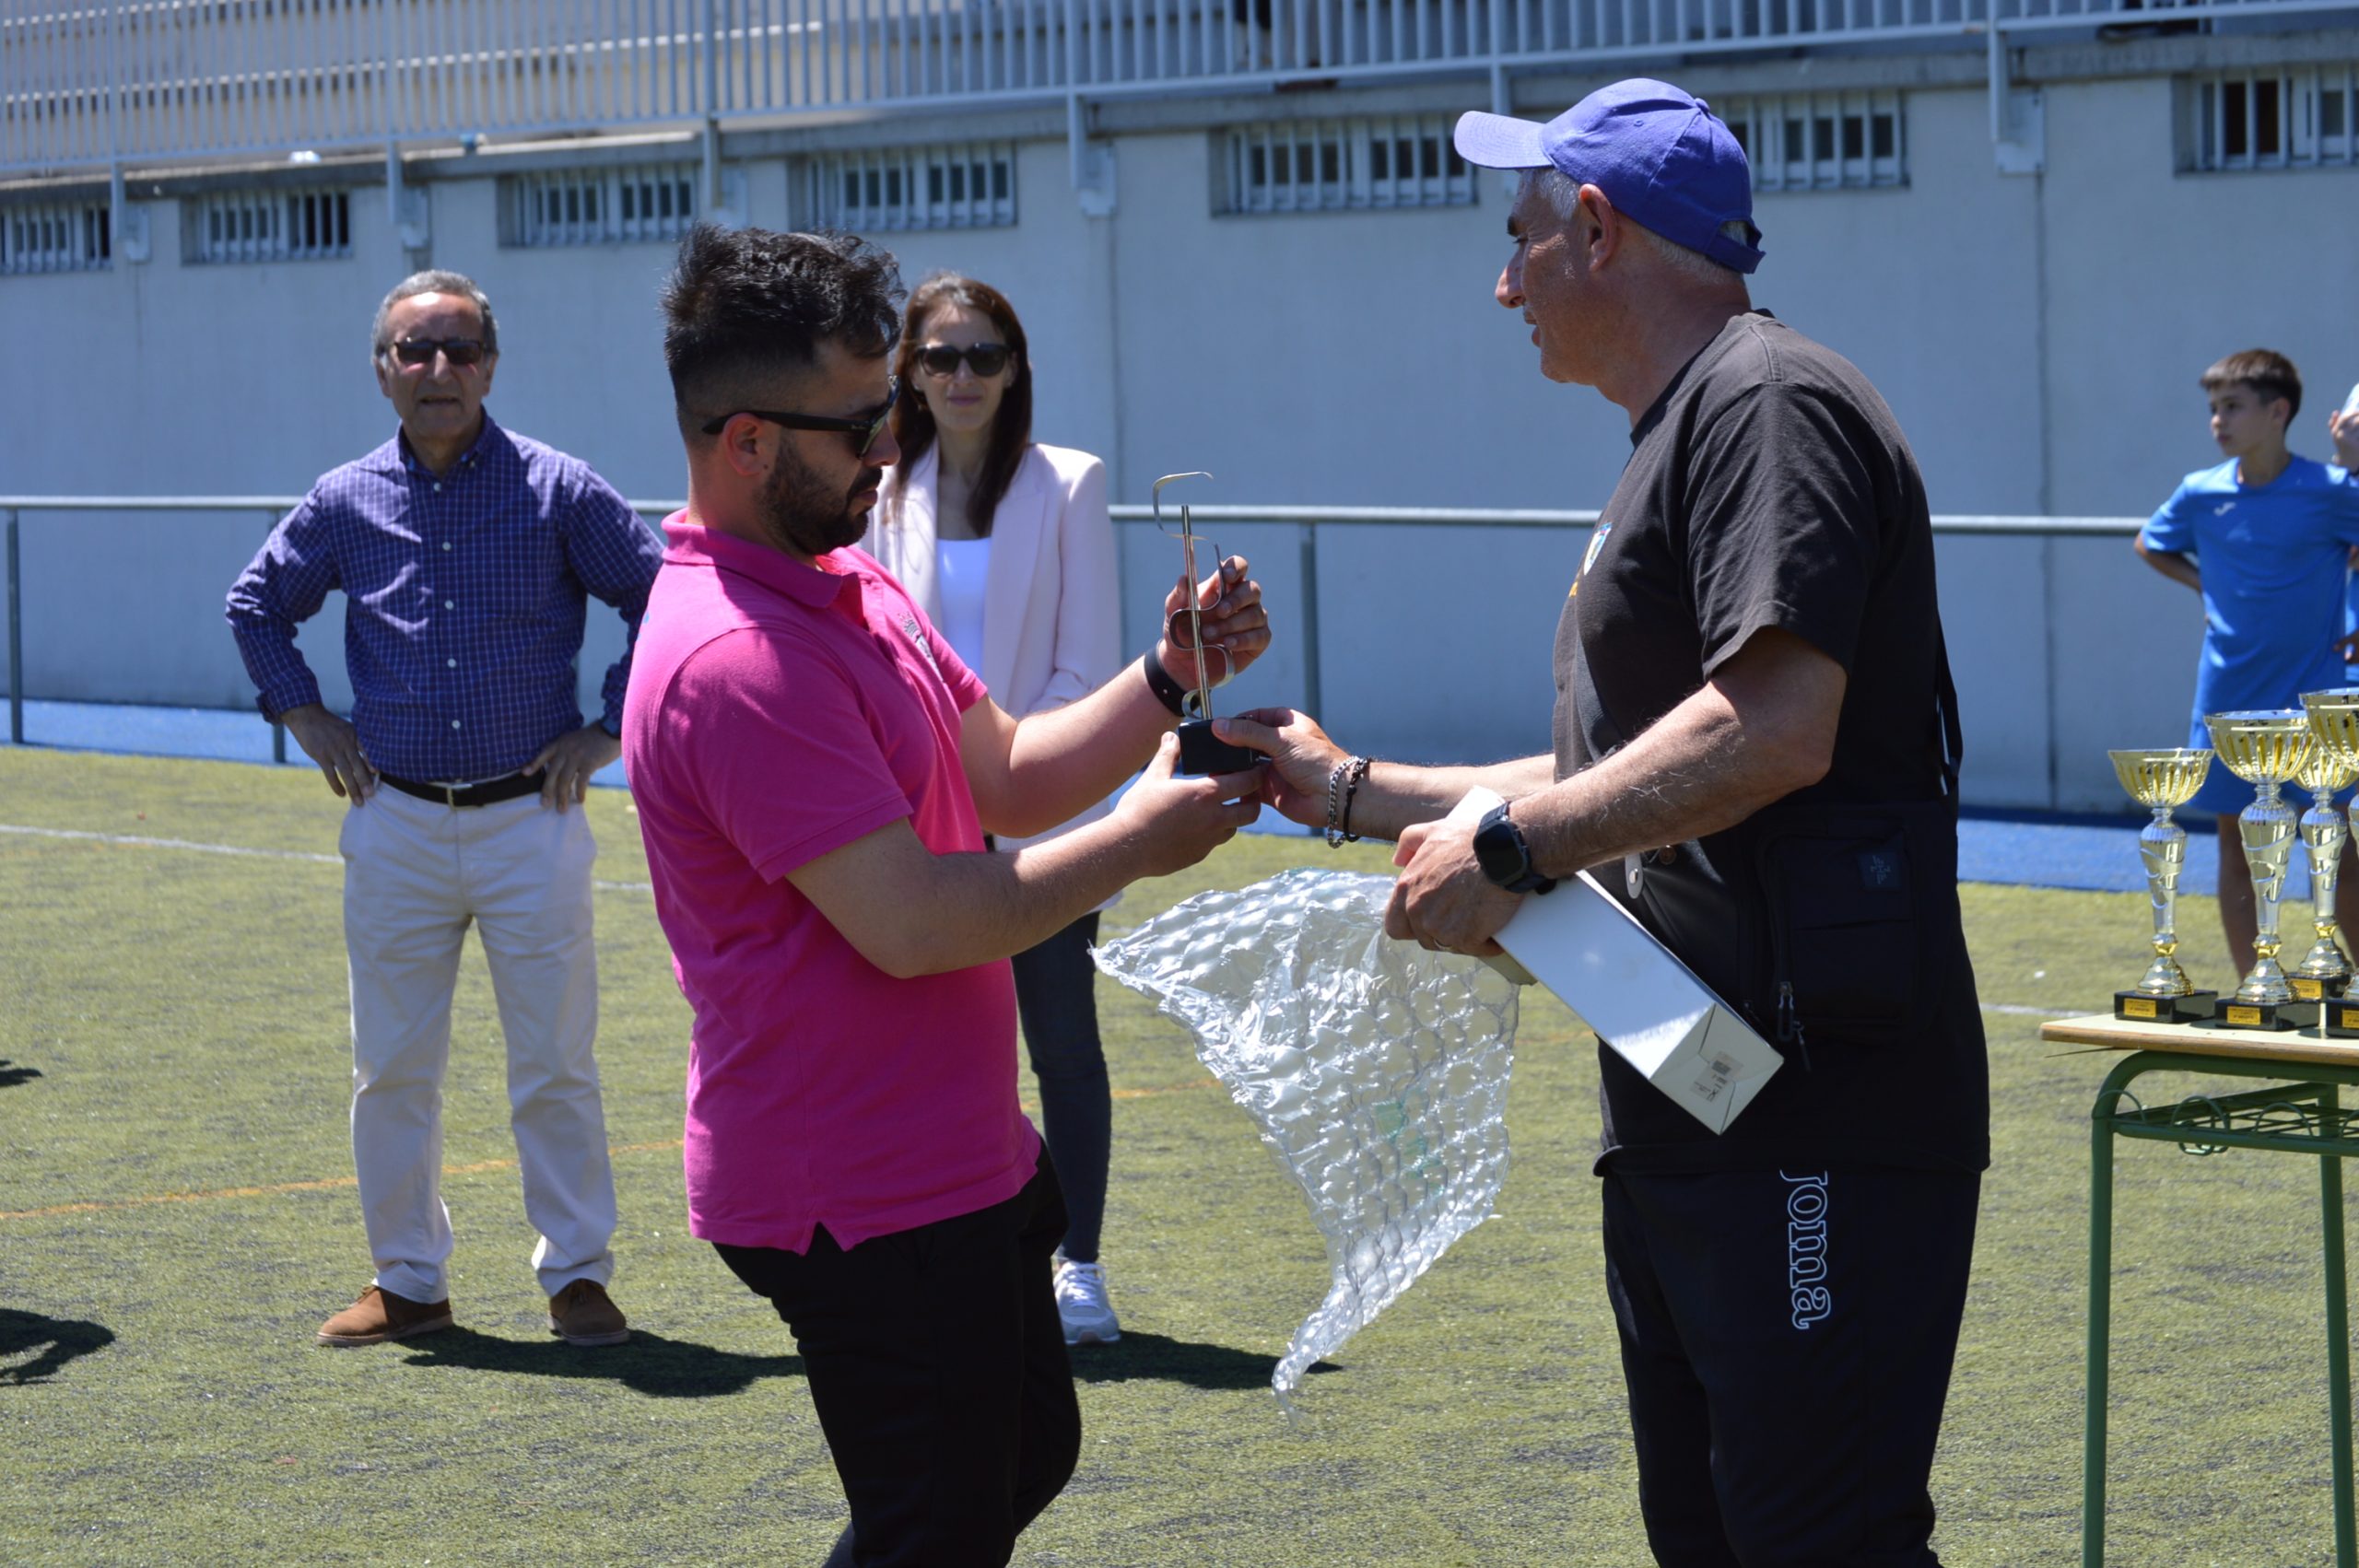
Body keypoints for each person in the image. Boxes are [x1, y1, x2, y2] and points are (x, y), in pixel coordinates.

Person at [1218, 80, 1989, 1565]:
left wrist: (1515, 846)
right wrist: (1355, 789)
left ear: (1595, 227)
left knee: (1821, 1540)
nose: (1500, 282)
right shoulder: (1684, 427)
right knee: (1718, 1536)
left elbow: (1772, 727)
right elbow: (1621, 763)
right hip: (1702, 1099)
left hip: (1810, 1111)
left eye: (1518, 240)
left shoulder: (1768, 401)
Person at [625, 224, 1268, 1568]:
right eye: (863, 417)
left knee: (1016, 1460)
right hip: (856, 1189)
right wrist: (1142, 838)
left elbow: (1017, 777)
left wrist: (1163, 676)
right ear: (745, 441)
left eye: (895, 405)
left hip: (950, 1156)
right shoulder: (740, 653)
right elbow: (915, 920)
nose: (890, 442)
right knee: (943, 1525)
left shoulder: (845, 574)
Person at [226, 269, 661, 1350]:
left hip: (532, 818)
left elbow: (660, 594)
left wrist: (608, 729)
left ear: (491, 367)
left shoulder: (558, 489)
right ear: (381, 370)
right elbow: (256, 605)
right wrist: (303, 714)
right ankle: (409, 1280)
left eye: (459, 350)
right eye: (415, 350)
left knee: (555, 1061)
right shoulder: (343, 500)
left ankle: (577, 1277)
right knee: (392, 1069)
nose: (438, 370)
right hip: (398, 820)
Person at [866, 273, 1127, 1346]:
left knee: (1061, 1045)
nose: (962, 375)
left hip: (1042, 817)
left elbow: (1086, 668)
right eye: (940, 357)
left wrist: (1001, 780)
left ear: (1014, 368)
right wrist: (937, 789)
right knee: (921, 1050)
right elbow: (871, 662)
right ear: (911, 374)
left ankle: (1079, 1264)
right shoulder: (877, 491)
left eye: (983, 355)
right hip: (914, 823)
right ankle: (938, 1259)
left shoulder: (1068, 482)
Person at [2134, 349, 2359, 975]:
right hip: (2228, 697)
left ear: (2278, 411)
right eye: (2213, 408)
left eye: (2232, 406)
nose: (2217, 421)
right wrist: (2205, 589)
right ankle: (2257, 986)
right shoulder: (2200, 493)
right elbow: (2150, 543)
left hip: (2314, 702)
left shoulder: (2331, 491)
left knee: (2336, 846)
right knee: (2235, 846)